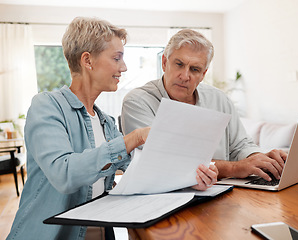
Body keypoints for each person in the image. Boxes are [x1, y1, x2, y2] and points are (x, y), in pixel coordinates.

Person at [6, 18, 217, 240]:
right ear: (88, 60)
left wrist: (190, 178)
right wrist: (133, 138)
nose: (123, 67)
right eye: (117, 58)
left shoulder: (105, 122)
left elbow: (143, 173)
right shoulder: (47, 106)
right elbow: (64, 174)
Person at [121, 29, 287, 183]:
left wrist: (260, 160)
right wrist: (235, 168)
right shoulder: (137, 101)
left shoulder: (219, 99)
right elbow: (165, 163)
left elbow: (241, 146)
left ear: (203, 74)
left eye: (194, 69)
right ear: (164, 63)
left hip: (222, 194)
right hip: (165, 198)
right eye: (179, 64)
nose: (185, 76)